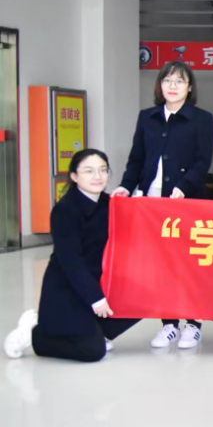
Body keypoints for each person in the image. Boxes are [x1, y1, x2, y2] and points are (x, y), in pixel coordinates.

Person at [111, 61, 213, 350]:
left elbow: (202, 161)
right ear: (159, 85)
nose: (172, 86)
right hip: (151, 202)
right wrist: (127, 185)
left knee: (189, 264)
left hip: (186, 201)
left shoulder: (202, 119)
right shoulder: (147, 117)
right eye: (167, 80)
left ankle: (193, 324)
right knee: (161, 265)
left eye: (179, 81)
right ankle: (169, 323)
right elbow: (136, 158)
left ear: (189, 87)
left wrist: (183, 186)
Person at [5, 150, 140, 362]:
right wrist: (95, 298)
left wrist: (132, 201)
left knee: (142, 298)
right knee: (93, 352)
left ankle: (97, 332)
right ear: (74, 176)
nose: (97, 176)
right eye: (89, 171)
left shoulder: (109, 204)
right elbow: (71, 261)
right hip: (68, 287)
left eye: (103, 170)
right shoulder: (65, 210)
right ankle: (34, 333)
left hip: (99, 281)